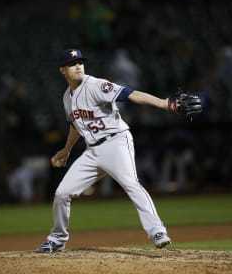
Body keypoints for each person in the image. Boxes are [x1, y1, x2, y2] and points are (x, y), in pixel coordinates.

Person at [37, 49, 202, 253]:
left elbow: (130, 94)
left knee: (131, 183)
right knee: (62, 193)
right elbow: (75, 125)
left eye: (80, 61)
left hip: (116, 143)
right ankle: (57, 238)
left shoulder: (96, 85)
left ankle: (157, 231)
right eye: (72, 63)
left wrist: (164, 104)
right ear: (62, 70)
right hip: (91, 151)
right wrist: (67, 149)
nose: (78, 65)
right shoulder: (66, 98)